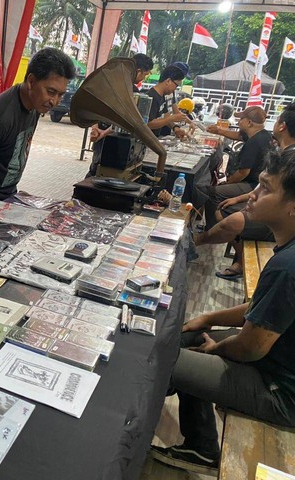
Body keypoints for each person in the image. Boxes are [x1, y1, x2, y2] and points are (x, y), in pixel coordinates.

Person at [150, 149, 295, 476]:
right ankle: (200, 443)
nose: (253, 195)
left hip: (279, 392)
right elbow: (263, 308)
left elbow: (250, 346)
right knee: (186, 336)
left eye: (266, 188)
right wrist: (209, 319)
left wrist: (216, 349)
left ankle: (193, 443)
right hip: (274, 363)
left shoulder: (287, 266)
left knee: (160, 360)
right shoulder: (288, 252)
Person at [0, 47, 75, 217]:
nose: (54, 101)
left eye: (61, 94)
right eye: (51, 92)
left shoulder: (35, 106)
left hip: (6, 197)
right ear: (31, 81)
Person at [194, 103, 295, 279]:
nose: (239, 122)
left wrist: (230, 188)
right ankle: (213, 239)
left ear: (282, 126)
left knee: (224, 209)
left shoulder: (286, 159)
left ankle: (203, 239)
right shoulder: (271, 142)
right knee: (227, 207)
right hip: (258, 192)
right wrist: (219, 131)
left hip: (260, 196)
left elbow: (245, 174)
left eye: (241, 119)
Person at [86, 53, 154, 178]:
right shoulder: (131, 91)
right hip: (114, 142)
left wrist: (97, 129)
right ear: (138, 71)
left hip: (104, 137)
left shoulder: (113, 84)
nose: (143, 78)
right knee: (101, 173)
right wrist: (97, 130)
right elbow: (124, 120)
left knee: (95, 171)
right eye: (145, 74)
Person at [146, 63, 191, 139]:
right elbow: (148, 124)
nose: (175, 89)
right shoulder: (152, 97)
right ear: (168, 81)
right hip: (147, 140)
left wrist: (175, 128)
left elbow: (165, 116)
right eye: (176, 85)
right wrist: (172, 118)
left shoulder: (162, 95)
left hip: (155, 138)